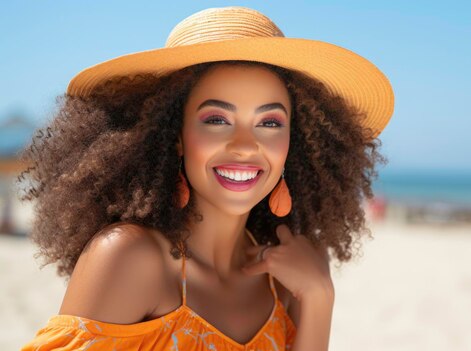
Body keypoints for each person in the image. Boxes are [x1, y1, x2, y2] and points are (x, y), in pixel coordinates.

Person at [16, 6, 394, 351]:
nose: (245, 146)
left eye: (270, 122)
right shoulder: (129, 258)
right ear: (176, 136)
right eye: (217, 120)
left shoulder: (290, 279)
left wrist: (318, 297)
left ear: (292, 142)